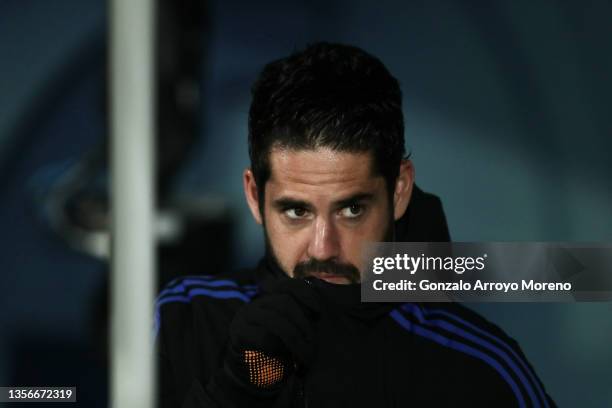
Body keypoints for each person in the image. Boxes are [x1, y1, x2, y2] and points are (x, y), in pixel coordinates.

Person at [156, 42, 555, 407]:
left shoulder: (477, 366)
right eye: (297, 212)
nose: (323, 248)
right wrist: (237, 390)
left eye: (352, 210)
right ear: (254, 196)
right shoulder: (186, 318)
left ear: (399, 191)